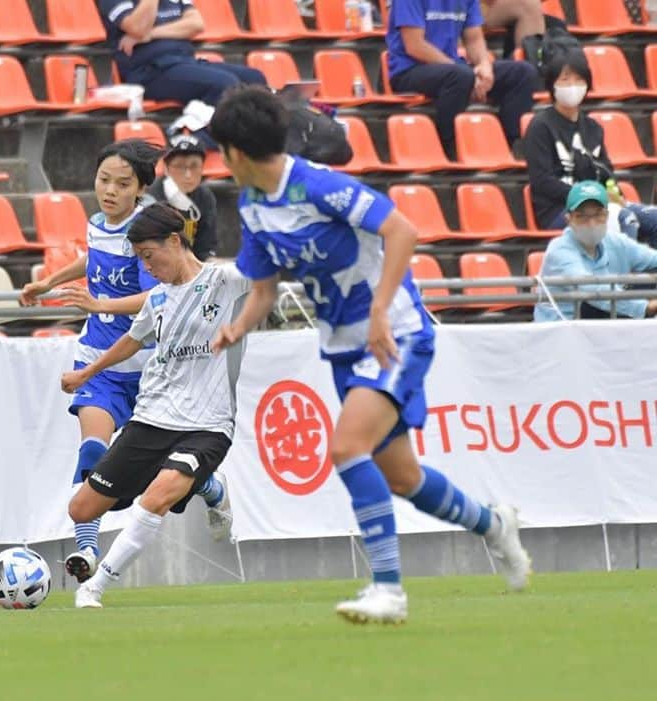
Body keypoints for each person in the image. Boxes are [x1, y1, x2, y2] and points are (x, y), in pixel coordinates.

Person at [208, 85, 531, 624]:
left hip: (395, 333)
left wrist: (381, 309)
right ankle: (494, 525)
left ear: (235, 152)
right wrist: (236, 327)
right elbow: (263, 289)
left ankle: (388, 590)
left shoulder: (316, 184)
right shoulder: (254, 206)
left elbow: (402, 229)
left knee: (347, 447)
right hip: (341, 346)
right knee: (402, 477)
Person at [20, 140, 229, 582]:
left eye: (122, 183)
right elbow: (93, 258)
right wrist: (49, 282)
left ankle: (208, 485)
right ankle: (88, 550)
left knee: (155, 470)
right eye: (103, 180)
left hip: (147, 370)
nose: (109, 190)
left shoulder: (147, 236)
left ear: (141, 189)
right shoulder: (97, 223)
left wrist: (100, 305)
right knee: (93, 448)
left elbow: (154, 298)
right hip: (98, 358)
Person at [61, 203, 243, 608]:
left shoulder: (226, 282)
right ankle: (208, 486)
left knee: (155, 499)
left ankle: (95, 587)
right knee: (81, 508)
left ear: (175, 242)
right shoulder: (158, 298)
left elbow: (271, 272)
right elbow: (132, 341)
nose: (148, 266)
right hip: (152, 418)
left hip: (207, 425)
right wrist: (86, 373)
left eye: (149, 256)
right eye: (140, 258)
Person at [522, 48, 657, 246]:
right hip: (559, 210)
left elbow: (606, 173)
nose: (572, 86)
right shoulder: (540, 126)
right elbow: (542, 181)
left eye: (578, 80)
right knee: (624, 219)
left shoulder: (593, 128)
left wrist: (613, 194)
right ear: (552, 85)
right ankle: (619, 276)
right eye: (565, 80)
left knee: (652, 219)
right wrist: (590, 196)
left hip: (599, 204)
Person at [387, 0, 538, 157]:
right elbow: (415, 46)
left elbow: (474, 39)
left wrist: (484, 65)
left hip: (454, 69)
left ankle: (511, 144)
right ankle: (450, 147)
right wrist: (464, 73)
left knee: (521, 72)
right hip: (409, 71)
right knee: (460, 76)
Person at [98, 0, 267, 106]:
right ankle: (216, 142)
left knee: (254, 78)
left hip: (184, 62)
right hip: (149, 72)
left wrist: (151, 34)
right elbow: (138, 28)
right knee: (224, 84)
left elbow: (196, 24)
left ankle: (258, 147)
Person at [535, 181, 657, 322]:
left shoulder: (615, 241)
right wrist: (646, 307)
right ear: (569, 219)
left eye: (598, 215)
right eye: (582, 216)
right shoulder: (559, 250)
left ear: (606, 216)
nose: (592, 223)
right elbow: (589, 289)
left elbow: (652, 258)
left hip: (601, 325)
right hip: (562, 330)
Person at [146, 134, 218, 261]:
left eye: (194, 166)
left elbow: (205, 249)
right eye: (179, 166)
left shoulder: (205, 197)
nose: (188, 175)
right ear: (166, 168)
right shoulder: (151, 197)